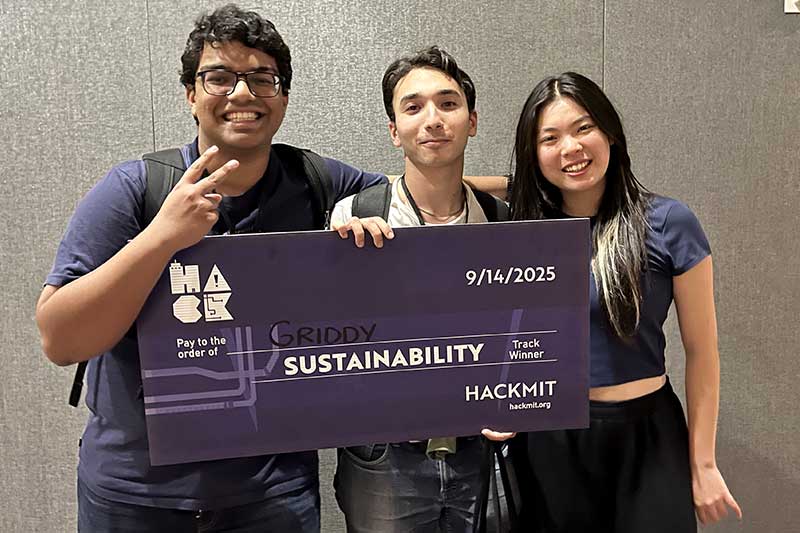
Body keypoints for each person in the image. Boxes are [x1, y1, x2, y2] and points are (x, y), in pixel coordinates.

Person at [34, 4, 387, 531]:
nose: (242, 94)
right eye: (219, 77)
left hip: (271, 494)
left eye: (261, 78)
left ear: (283, 97)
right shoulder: (134, 189)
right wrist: (162, 236)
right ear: (191, 95)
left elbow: (417, 195)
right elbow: (60, 341)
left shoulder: (315, 180)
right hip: (134, 496)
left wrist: (537, 190)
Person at [506, 72, 742, 532]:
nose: (570, 148)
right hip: (551, 441)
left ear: (610, 132)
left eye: (583, 128)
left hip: (649, 435)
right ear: (533, 155)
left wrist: (704, 463)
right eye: (549, 139)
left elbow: (702, 352)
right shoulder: (524, 232)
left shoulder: (669, 221)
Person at [329, 46, 514, 533]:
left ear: (472, 121)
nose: (432, 119)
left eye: (448, 104)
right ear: (394, 131)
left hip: (481, 446)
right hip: (385, 454)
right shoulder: (353, 216)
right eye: (413, 107)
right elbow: (330, 342)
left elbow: (522, 333)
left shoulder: (502, 224)